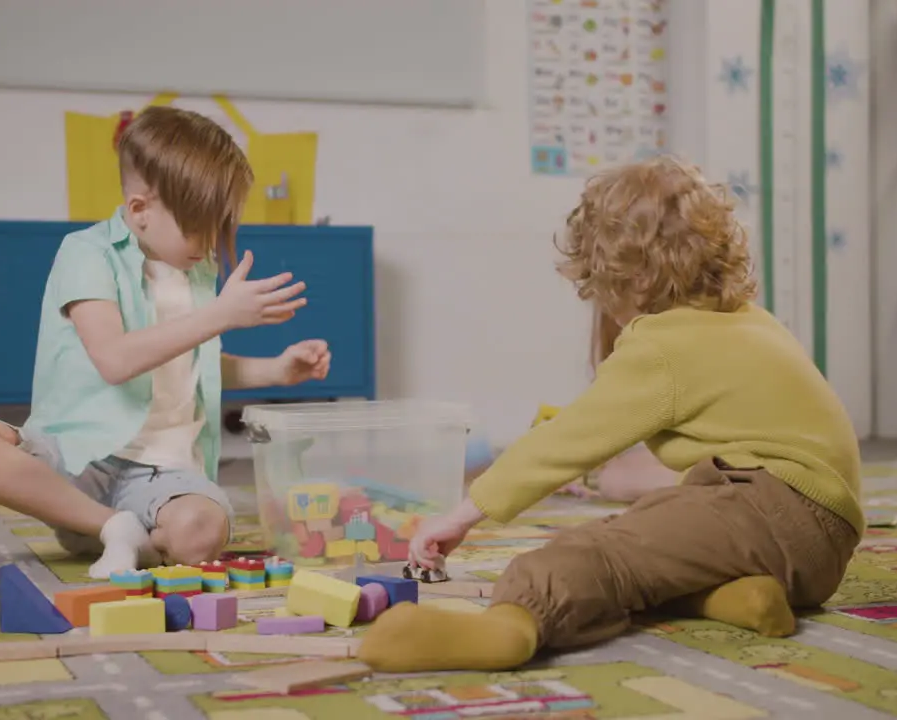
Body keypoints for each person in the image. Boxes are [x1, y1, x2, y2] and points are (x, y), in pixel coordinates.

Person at [358, 155, 862, 673]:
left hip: (770, 512)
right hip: (824, 546)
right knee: (654, 539)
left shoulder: (663, 344)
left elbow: (563, 444)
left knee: (597, 551)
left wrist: (461, 516)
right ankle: (733, 597)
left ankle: (507, 629)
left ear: (630, 280)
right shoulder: (747, 320)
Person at [0, 106, 330, 579]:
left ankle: (130, 538)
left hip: (163, 474)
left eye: (221, 224)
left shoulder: (195, 268)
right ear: (140, 210)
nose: (210, 240)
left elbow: (186, 367)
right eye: (197, 224)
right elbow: (116, 361)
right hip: (78, 465)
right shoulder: (87, 253)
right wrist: (219, 314)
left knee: (202, 531)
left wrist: (277, 370)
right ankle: (110, 526)